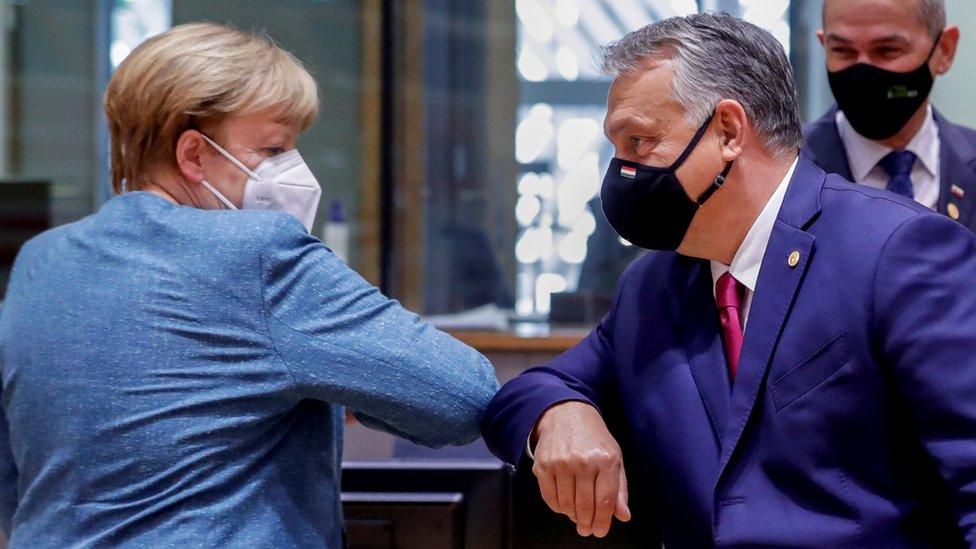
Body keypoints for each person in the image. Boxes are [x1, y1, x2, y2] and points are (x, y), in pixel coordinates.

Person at [481, 12, 976, 547]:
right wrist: (559, 414)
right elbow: (527, 393)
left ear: (728, 131)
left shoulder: (897, 249)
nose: (620, 170)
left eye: (639, 142)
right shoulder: (654, 285)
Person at [0, 23, 498, 547]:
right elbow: (461, 396)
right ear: (193, 155)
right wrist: (335, 390)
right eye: (274, 149)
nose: (292, 170)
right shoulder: (259, 252)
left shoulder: (41, 261)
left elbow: (16, 477)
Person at [804, 0, 976, 230]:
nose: (862, 73)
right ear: (824, 44)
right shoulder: (782, 170)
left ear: (944, 50)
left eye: (887, 50)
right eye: (842, 50)